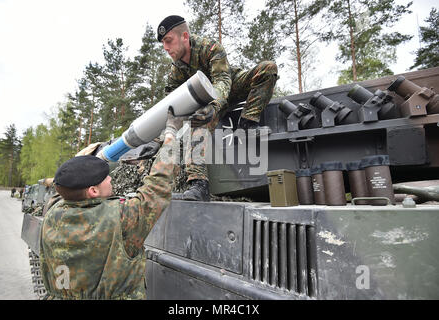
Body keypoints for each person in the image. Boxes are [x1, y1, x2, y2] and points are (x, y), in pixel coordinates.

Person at [39, 108, 185, 299]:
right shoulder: (121, 218)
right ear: (93, 191)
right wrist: (171, 132)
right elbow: (159, 184)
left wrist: (83, 164)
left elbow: (65, 185)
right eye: (105, 178)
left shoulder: (52, 213)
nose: (110, 179)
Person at [143, 15, 278, 202]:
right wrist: (155, 140)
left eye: (168, 41)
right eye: (163, 44)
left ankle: (248, 122)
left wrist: (214, 106)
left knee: (268, 68)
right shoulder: (177, 69)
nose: (166, 48)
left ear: (184, 36)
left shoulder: (210, 48)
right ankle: (199, 184)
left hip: (231, 87)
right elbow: (170, 107)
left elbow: (222, 80)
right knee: (197, 123)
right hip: (205, 104)